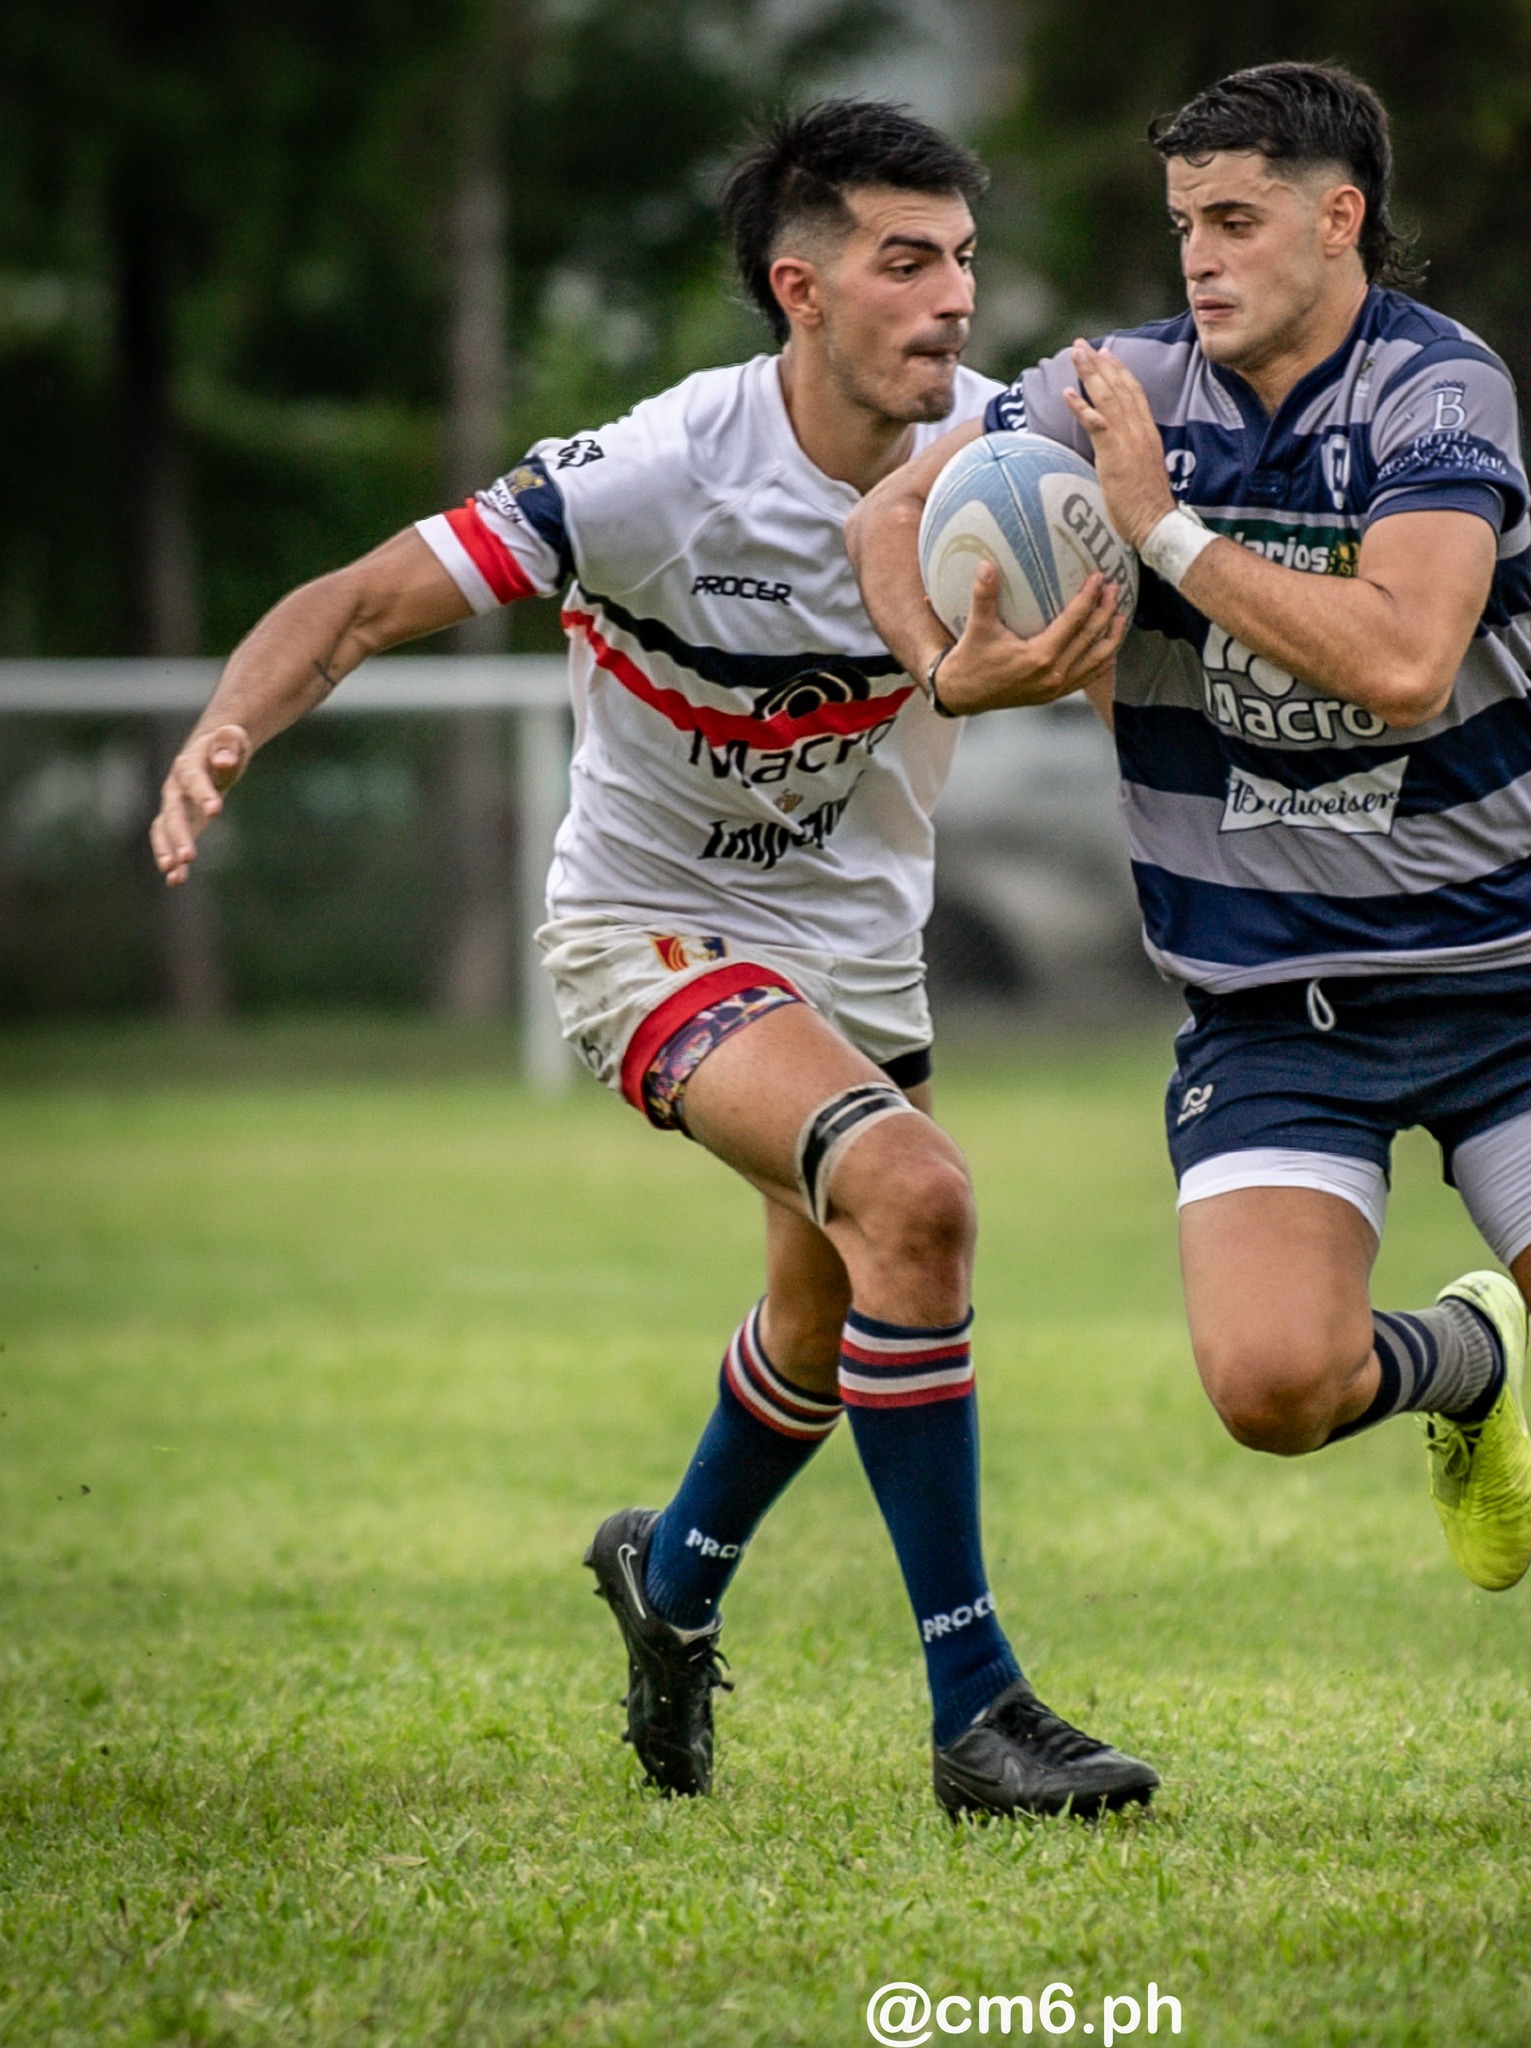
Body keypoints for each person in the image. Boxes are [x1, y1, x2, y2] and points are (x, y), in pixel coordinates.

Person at [147, 99, 1156, 1821]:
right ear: (801, 289)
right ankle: (979, 1710)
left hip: (857, 946)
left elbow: (1138, 647)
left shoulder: (1002, 459)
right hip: (648, 934)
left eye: (964, 262)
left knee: (822, 1309)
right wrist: (225, 731)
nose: (950, 302)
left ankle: (670, 1579)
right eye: (905, 263)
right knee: (913, 1199)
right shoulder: (656, 472)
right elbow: (361, 601)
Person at [849, 62, 1531, 1836]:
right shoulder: (1108, 387)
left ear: (1341, 218)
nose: (1199, 259)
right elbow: (888, 521)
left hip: (1510, 986)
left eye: (1236, 220)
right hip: (1270, 1008)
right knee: (1270, 1389)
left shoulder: (1432, 384)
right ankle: (1463, 1365)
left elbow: (1407, 659)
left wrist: (1164, 527)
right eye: (1183, 224)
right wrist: (957, 669)